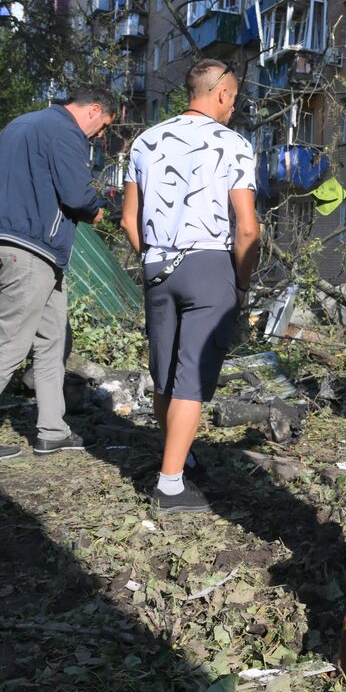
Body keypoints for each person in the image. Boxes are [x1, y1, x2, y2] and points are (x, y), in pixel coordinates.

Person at [0, 87, 117, 461]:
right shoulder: (65, 131)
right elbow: (77, 195)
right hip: (31, 248)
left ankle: (52, 431)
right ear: (92, 110)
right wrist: (98, 209)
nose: (100, 135)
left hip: (30, 246)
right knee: (10, 343)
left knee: (53, 339)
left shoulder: (20, 124)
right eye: (103, 126)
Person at [120, 60, 259, 513]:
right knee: (191, 380)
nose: (234, 107)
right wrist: (240, 284)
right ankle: (171, 485)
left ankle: (181, 455)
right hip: (209, 265)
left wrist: (154, 257)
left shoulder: (145, 140)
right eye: (234, 98)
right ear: (220, 93)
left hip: (157, 265)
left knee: (165, 376)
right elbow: (247, 229)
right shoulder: (234, 144)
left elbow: (127, 220)